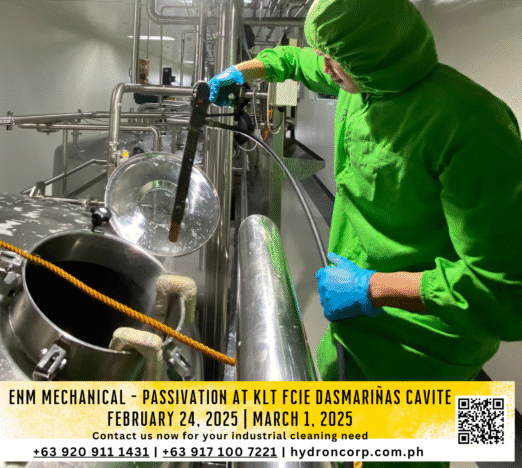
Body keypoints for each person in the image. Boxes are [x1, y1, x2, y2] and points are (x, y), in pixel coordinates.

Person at [209, 0, 522, 466]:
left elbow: (505, 293)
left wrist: (371, 288)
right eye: (327, 55)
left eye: (337, 59)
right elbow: (294, 60)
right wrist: (241, 72)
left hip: (419, 352)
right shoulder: (361, 79)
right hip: (353, 325)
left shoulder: (473, 125)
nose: (327, 69)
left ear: (379, 54)